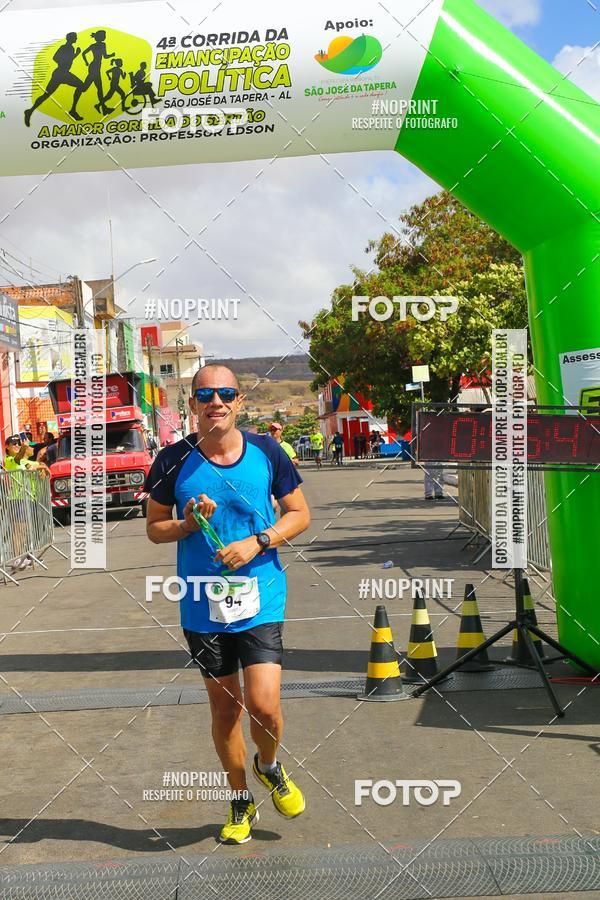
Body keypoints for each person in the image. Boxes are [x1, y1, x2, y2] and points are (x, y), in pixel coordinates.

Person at [145, 365, 310, 845]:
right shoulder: (172, 461)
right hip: (202, 603)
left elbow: (299, 514)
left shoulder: (266, 451)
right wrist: (188, 525)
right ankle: (240, 800)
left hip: (261, 594)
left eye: (226, 393)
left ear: (238, 401)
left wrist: (258, 542)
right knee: (226, 711)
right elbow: (155, 527)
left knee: (265, 706)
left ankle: (269, 765)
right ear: (192, 402)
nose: (216, 401)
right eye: (205, 394)